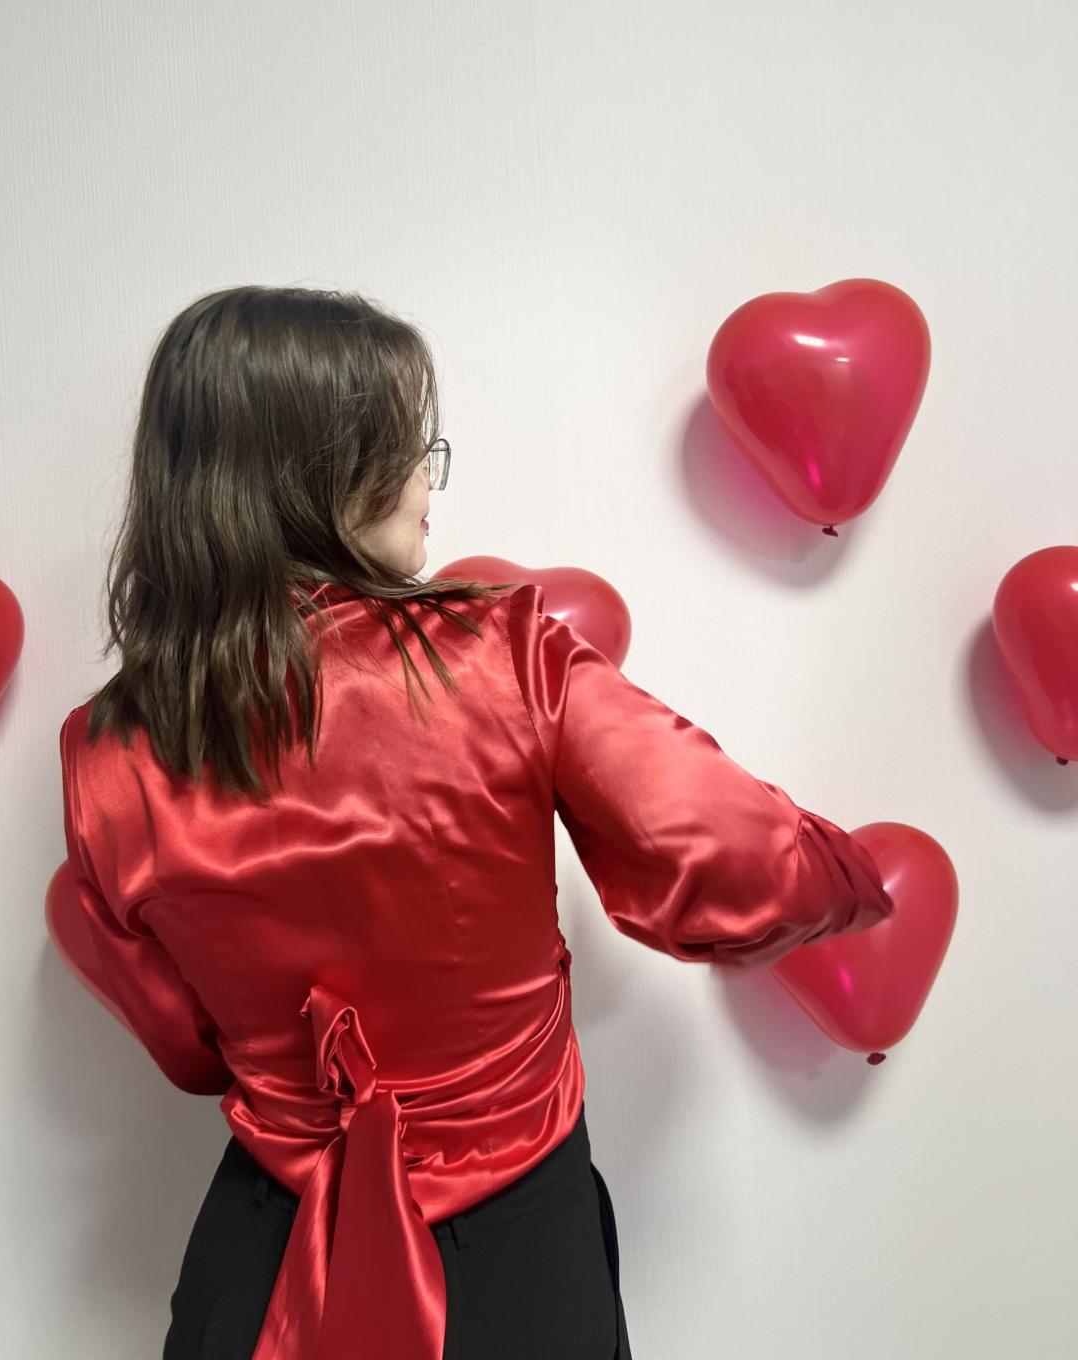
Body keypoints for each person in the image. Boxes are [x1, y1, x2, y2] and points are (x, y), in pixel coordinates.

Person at [55, 284, 895, 1360]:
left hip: (264, 1261)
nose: (425, 481)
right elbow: (745, 865)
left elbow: (188, 1051)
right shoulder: (498, 655)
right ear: (321, 476)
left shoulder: (104, 753)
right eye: (408, 448)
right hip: (514, 1259)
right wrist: (858, 879)